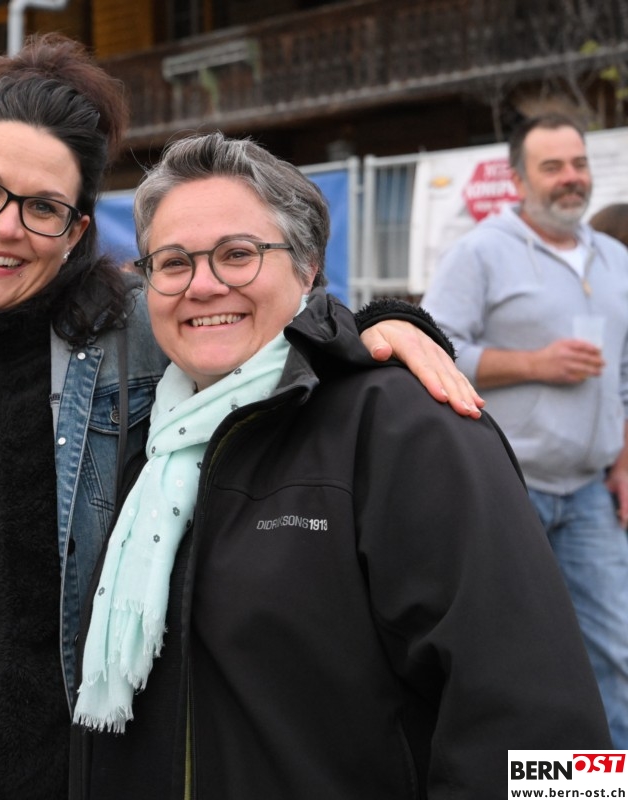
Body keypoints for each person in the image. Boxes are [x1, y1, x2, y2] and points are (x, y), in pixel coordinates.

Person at [0, 33, 483, 800]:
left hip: (92, 774)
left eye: (43, 207)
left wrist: (387, 324)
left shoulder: (138, 332)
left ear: (76, 232)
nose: (5, 226)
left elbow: (266, 324)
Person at [71, 131, 610, 800]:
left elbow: (557, 738)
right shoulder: (141, 442)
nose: (203, 285)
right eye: (174, 262)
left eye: (238, 254)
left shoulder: (407, 427)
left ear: (308, 268)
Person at [420, 112, 628, 747]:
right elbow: (432, 349)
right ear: (517, 179)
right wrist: (535, 364)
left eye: (579, 164)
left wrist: (623, 462)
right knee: (509, 657)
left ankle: (601, 784)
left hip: (591, 493)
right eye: (552, 166)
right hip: (507, 490)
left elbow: (624, 373)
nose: (571, 178)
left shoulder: (616, 257)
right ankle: (519, 780)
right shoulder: (480, 252)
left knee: (614, 654)